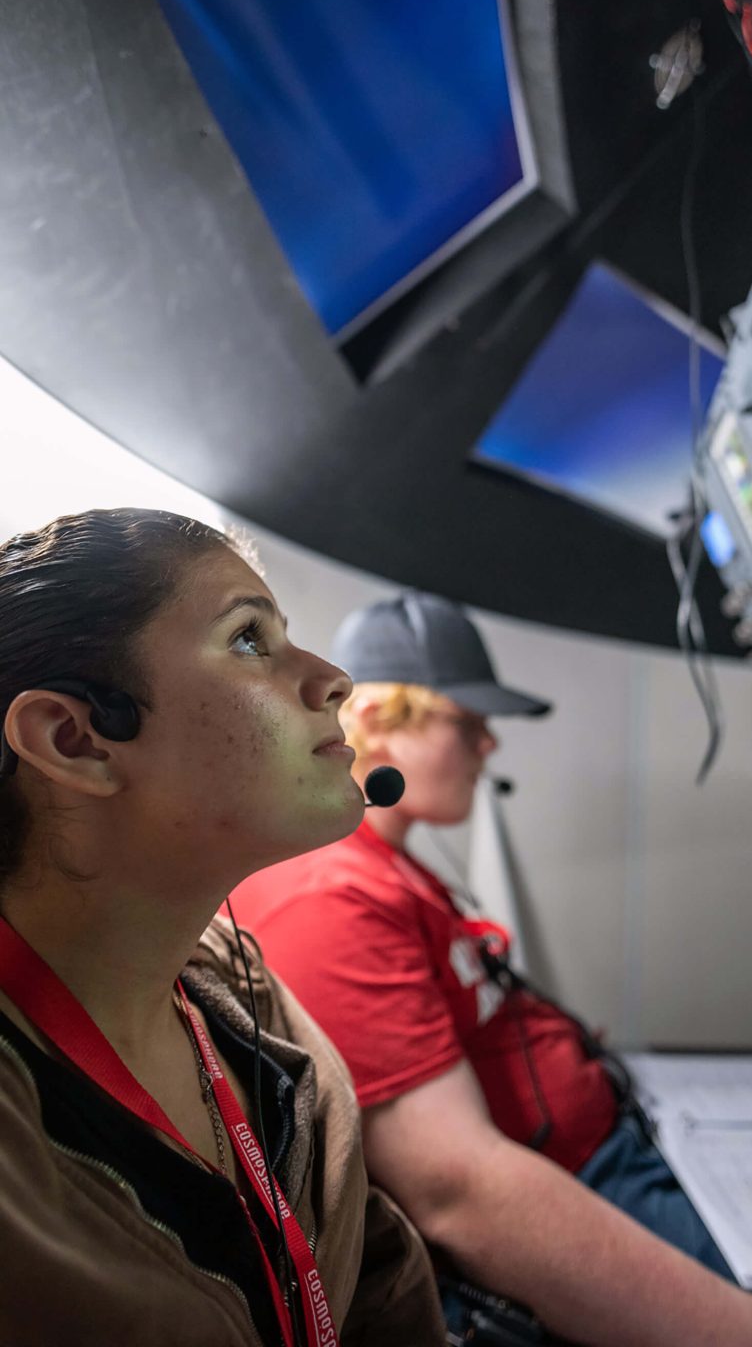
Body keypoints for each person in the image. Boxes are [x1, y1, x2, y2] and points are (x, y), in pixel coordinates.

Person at [233, 588, 752, 1347]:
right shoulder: (329, 893)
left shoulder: (388, 866)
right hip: (585, 1178)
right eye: (467, 723)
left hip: (608, 1143)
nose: (488, 745)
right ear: (376, 723)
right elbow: (455, 1189)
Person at [0, 511, 446, 1347]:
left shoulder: (243, 996)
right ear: (76, 739)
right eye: (248, 639)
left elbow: (374, 1277)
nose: (334, 680)